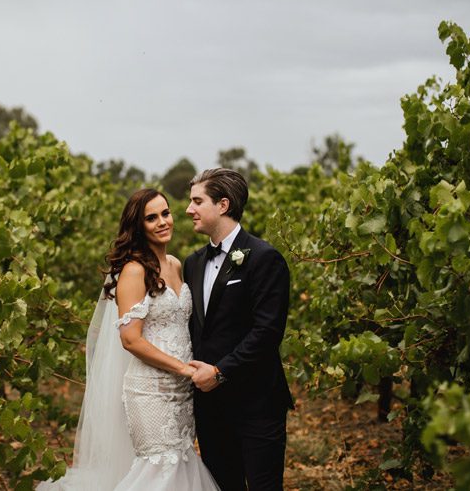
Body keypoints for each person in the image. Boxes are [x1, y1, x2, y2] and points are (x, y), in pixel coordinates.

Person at [38, 188, 219, 491]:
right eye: (151, 218)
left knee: (181, 459)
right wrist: (184, 368)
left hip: (182, 391)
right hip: (150, 390)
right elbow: (131, 340)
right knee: (160, 466)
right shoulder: (134, 271)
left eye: (165, 213)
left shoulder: (175, 264)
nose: (162, 222)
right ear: (139, 226)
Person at [184, 168, 293, 491]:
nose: (189, 210)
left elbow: (267, 332)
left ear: (223, 205)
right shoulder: (193, 262)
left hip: (256, 402)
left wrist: (219, 371)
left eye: (197, 201)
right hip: (210, 407)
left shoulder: (265, 258)